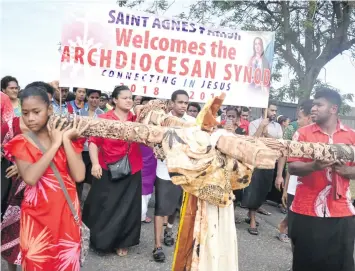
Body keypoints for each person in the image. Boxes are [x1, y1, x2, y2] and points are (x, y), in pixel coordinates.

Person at [3, 85, 88, 270]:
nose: (31, 118)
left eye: (36, 111)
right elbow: (31, 178)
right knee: (36, 263)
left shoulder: (70, 138)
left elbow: (79, 175)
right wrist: (56, 144)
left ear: (49, 109)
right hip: (36, 216)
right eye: (25, 113)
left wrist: (65, 140)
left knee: (65, 263)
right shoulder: (21, 142)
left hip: (66, 212)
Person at [288, 88, 355, 271]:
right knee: (306, 264)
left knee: (341, 265)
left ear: (333, 109)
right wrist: (314, 166)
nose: (314, 108)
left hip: (342, 212)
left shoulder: (351, 135)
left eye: (319, 104)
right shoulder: (302, 134)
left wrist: (347, 171)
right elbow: (292, 167)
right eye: (313, 104)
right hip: (306, 210)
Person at [82, 85, 142, 257]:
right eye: (125, 97)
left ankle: (123, 242)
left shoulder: (137, 119)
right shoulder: (104, 118)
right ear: (115, 100)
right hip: (107, 168)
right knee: (105, 207)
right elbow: (94, 142)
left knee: (128, 208)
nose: (129, 100)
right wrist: (94, 164)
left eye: (131, 97)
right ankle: (101, 241)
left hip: (132, 169)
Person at [153, 89, 195, 262]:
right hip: (164, 170)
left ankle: (169, 230)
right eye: (180, 102)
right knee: (161, 207)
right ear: (172, 103)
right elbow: (152, 139)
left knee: (175, 207)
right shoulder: (161, 120)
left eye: (186, 103)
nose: (183, 105)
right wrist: (156, 149)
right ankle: (157, 246)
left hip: (184, 170)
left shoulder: (193, 122)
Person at [275, 99, 313, 243]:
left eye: (300, 117)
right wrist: (281, 177)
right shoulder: (293, 129)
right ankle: (284, 227)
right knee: (294, 211)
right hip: (293, 175)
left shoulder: (320, 133)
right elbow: (285, 155)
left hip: (310, 180)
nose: (297, 120)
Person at [243, 101, 283, 235]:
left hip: (271, 162)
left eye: (275, 110)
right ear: (264, 110)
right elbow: (251, 142)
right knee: (255, 189)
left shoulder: (277, 126)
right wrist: (261, 128)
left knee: (265, 190)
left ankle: (251, 211)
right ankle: (253, 220)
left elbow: (279, 144)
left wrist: (267, 134)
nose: (274, 113)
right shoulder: (254, 123)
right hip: (258, 162)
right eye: (271, 110)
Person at [76, 89, 104, 202]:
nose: (94, 100)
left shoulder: (103, 115)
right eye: (92, 97)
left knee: (93, 180)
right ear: (87, 98)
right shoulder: (79, 113)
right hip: (81, 151)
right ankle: (77, 204)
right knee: (79, 179)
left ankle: (90, 205)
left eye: (97, 98)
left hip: (96, 152)